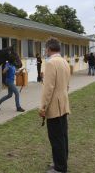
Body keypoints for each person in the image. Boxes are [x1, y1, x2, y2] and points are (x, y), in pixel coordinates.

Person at [38, 39, 71, 173]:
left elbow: (48, 88)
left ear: (49, 49)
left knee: (56, 137)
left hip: (54, 106)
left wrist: (43, 107)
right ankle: (61, 161)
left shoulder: (51, 63)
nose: (45, 51)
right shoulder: (64, 61)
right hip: (63, 103)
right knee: (63, 135)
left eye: (45, 49)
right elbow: (67, 84)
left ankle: (60, 168)